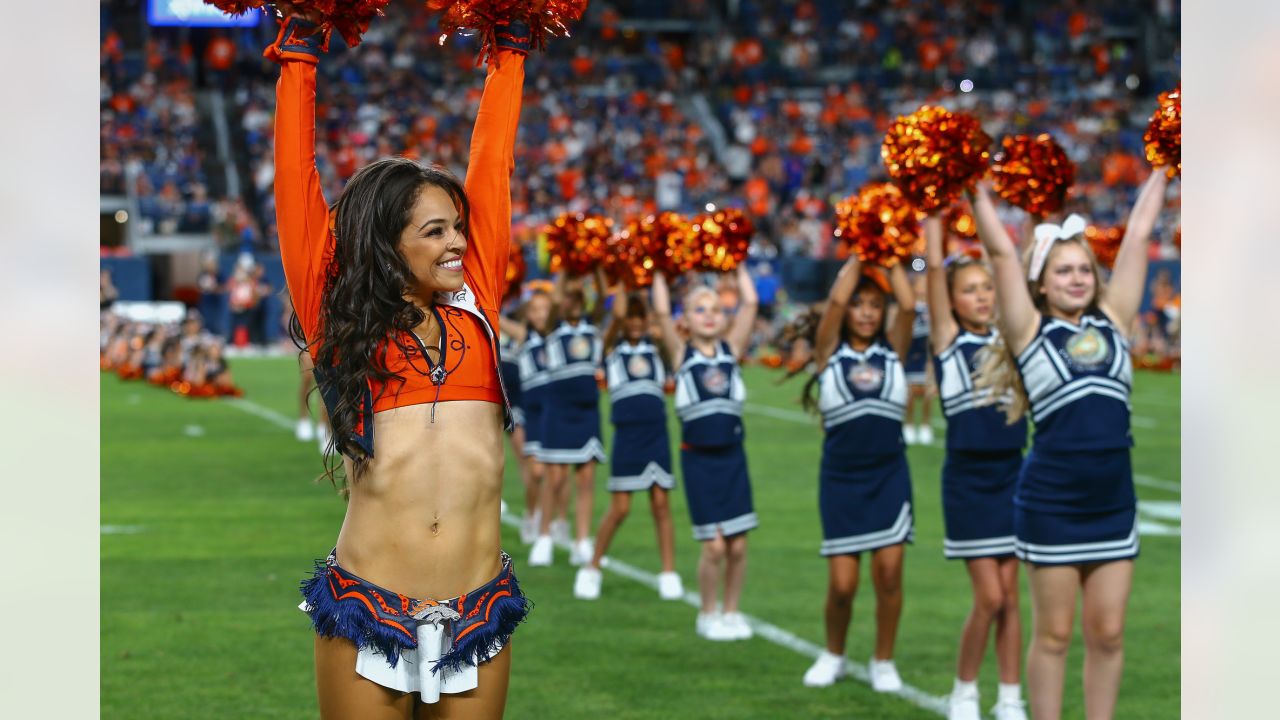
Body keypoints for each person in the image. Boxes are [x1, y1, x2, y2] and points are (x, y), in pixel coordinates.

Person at [269, 10, 534, 717]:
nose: (456, 242)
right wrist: (300, 52)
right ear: (390, 247)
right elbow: (296, 186)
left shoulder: (477, 303)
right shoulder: (340, 322)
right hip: (368, 605)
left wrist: (510, 50)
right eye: (435, 230)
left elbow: (494, 165)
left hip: (479, 609)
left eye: (457, 228)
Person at [970, 168, 1168, 720]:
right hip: (1053, 503)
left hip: (1113, 503)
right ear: (1041, 282)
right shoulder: (1028, 331)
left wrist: (1165, 166)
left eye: (1084, 269)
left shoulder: (1114, 319)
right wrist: (972, 188)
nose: (1078, 279)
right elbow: (1001, 255)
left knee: (1107, 634)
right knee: (1054, 635)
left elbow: (1138, 235)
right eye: (1064, 271)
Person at [923, 216, 1028, 720]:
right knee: (989, 596)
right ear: (952, 300)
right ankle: (964, 690)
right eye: (969, 290)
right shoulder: (948, 340)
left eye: (988, 287)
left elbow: (1020, 269)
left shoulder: (1012, 340)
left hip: (1015, 477)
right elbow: (931, 287)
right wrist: (930, 220)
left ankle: (1010, 696)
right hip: (969, 482)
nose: (983, 297)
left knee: (1011, 596)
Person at [799, 256, 916, 691]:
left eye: (873, 304)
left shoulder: (894, 348)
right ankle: (834, 654)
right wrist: (860, 249)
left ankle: (883, 660)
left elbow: (907, 305)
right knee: (843, 585)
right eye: (859, 304)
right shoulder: (829, 351)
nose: (866, 312)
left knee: (888, 575)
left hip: (889, 475)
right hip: (842, 479)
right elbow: (833, 299)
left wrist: (891, 253)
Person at [652, 264, 758, 641]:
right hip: (699, 460)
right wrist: (660, 265)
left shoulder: (731, 349)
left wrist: (737, 263)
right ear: (686, 318)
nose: (710, 316)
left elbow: (750, 302)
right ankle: (707, 612)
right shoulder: (682, 354)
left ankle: (732, 612)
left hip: (733, 457)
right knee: (713, 546)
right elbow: (662, 311)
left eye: (715, 309)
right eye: (700, 309)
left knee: (739, 543)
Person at [573, 284, 683, 601]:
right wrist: (625, 278)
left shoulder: (658, 350)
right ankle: (592, 568)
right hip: (627, 435)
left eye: (640, 318)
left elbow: (664, 331)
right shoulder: (610, 350)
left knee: (661, 505)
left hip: (656, 434)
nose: (635, 323)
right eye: (631, 318)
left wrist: (651, 299)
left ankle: (668, 572)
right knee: (620, 508)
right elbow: (618, 316)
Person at [533, 273, 608, 566]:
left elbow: (603, 296)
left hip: (587, 409)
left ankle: (581, 540)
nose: (574, 301)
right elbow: (553, 300)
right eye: (570, 297)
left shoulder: (592, 324)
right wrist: (568, 264)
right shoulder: (553, 326)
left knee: (587, 478)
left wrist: (596, 265)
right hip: (559, 408)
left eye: (579, 297)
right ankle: (544, 537)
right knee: (555, 478)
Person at [500, 290, 553, 547]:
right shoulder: (524, 335)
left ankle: (547, 517)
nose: (541, 315)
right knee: (532, 469)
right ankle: (533, 515)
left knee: (551, 471)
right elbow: (497, 319)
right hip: (523, 408)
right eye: (535, 310)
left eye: (545, 309)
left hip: (553, 411)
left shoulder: (558, 334)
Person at [902, 271, 934, 444]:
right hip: (911, 354)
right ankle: (908, 425)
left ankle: (925, 425)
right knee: (910, 393)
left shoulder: (932, 308)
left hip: (926, 355)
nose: (922, 287)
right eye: (919, 283)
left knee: (928, 393)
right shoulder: (909, 307)